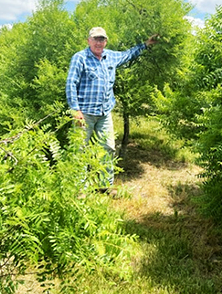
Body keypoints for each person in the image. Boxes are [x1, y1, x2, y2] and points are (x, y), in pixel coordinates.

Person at [66, 26, 159, 194]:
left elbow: (128, 54)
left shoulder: (111, 56)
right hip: (84, 113)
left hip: (104, 113)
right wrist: (75, 110)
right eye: (95, 39)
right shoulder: (80, 58)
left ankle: (104, 185)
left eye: (101, 39)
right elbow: (71, 84)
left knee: (108, 147)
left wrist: (146, 44)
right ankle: (79, 189)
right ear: (89, 41)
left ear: (106, 41)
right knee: (80, 149)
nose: (98, 42)